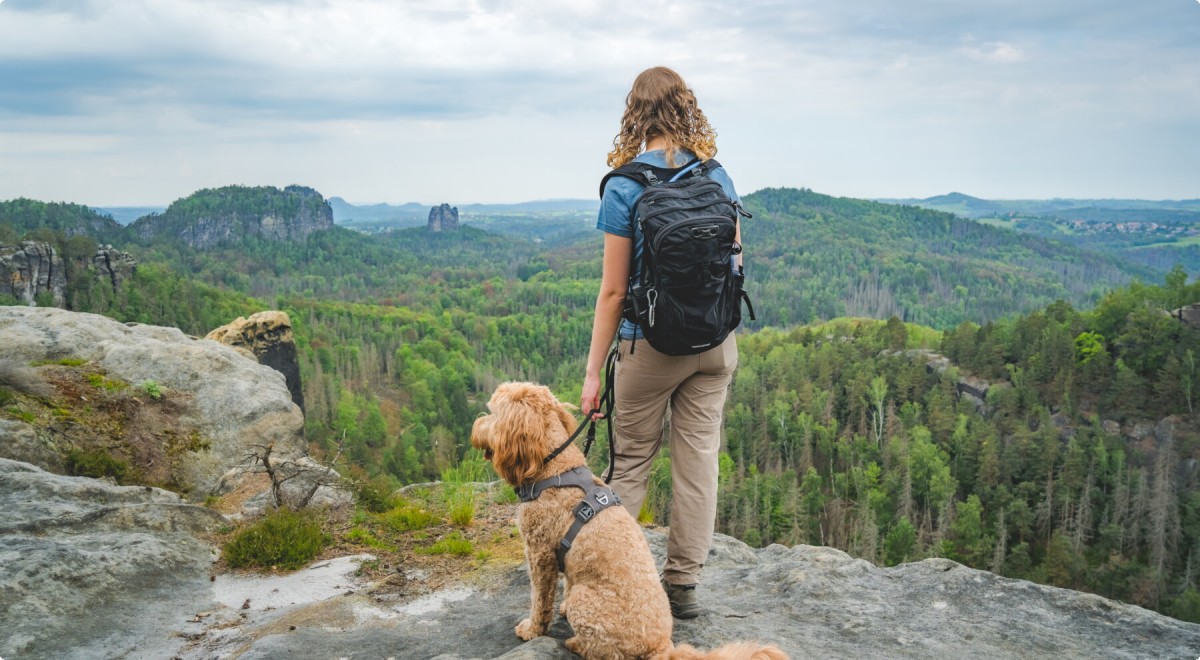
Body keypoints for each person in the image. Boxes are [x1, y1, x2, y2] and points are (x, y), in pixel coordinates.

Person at [580, 66, 742, 620]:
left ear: (635, 115)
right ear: (686, 107)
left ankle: (610, 584)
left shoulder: (624, 186)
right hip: (715, 347)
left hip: (646, 350)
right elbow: (734, 264)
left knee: (630, 468)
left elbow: (613, 291)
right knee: (698, 463)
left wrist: (590, 374)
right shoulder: (718, 178)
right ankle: (682, 587)